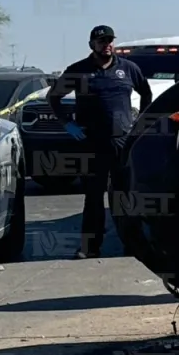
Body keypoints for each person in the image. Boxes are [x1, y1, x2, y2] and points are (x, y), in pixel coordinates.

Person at [48, 25, 154, 259]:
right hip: (90, 143)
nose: (106, 44)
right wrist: (67, 123)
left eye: (109, 40)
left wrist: (140, 123)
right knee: (93, 197)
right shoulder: (78, 70)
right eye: (101, 41)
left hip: (122, 142)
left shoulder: (128, 69)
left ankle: (132, 245)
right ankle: (90, 246)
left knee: (124, 195)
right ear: (91, 45)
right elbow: (53, 97)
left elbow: (146, 93)